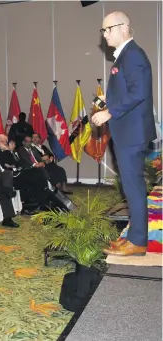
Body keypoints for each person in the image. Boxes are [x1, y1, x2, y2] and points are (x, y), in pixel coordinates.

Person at [92, 11, 155, 257]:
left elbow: (139, 92)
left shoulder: (133, 55)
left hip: (131, 131)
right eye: (103, 30)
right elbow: (130, 90)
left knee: (133, 187)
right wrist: (110, 99)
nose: (105, 35)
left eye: (109, 29)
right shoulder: (125, 57)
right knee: (130, 187)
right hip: (128, 130)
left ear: (125, 28)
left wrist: (109, 112)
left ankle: (138, 241)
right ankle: (133, 236)